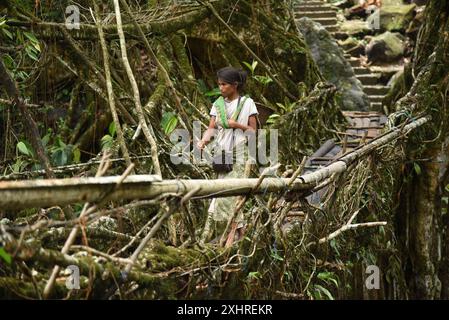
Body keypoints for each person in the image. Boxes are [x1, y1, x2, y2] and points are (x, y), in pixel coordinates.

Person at [197, 66, 258, 243]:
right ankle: (240, 234)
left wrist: (236, 125)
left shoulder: (248, 104)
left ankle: (232, 239)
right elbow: (211, 128)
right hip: (222, 154)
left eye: (224, 85)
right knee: (222, 192)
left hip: (240, 154)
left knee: (231, 193)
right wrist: (202, 142)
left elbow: (253, 131)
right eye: (219, 85)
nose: (221, 88)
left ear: (235, 85)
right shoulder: (217, 105)